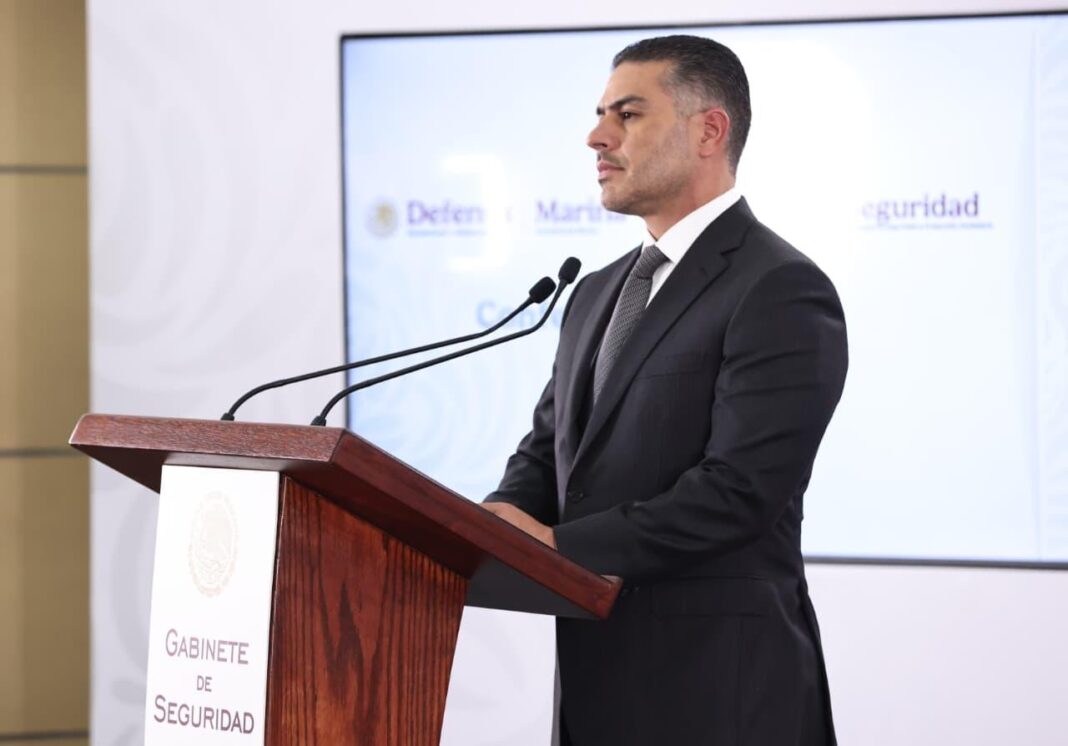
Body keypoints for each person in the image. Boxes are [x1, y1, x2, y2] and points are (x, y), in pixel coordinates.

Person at [482, 34, 847, 746]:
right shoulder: (593, 293)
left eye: (627, 114)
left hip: (721, 696)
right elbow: (549, 451)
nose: (597, 137)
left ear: (709, 130)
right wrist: (495, 523)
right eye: (599, 115)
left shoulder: (779, 287)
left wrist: (557, 544)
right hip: (594, 691)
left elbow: (739, 492)